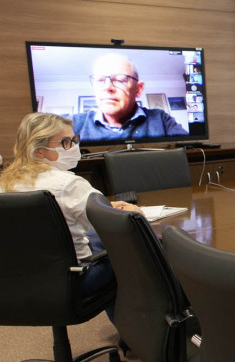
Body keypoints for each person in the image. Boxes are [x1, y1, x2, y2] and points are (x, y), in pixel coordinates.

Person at [0, 113, 141, 318]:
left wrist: (104, 207)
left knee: (94, 239)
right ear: (39, 151)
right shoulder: (69, 184)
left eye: (74, 140)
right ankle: (136, 333)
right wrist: (132, 212)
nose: (74, 146)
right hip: (74, 282)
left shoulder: (4, 185)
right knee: (128, 250)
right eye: (65, 142)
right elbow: (115, 227)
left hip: (14, 286)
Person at [72, 53, 188, 142]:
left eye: (119, 80)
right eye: (100, 80)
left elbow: (190, 150)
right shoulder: (72, 123)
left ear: (138, 89)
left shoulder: (161, 119)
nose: (107, 87)